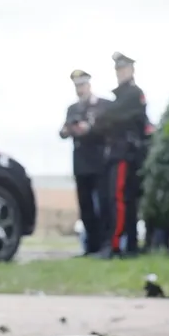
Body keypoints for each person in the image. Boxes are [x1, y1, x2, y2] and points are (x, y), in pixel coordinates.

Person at [91, 52, 149, 258]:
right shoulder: (120, 98)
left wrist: (105, 117)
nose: (120, 73)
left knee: (120, 199)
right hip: (119, 153)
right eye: (118, 69)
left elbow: (113, 116)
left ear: (131, 70)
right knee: (123, 199)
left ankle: (116, 245)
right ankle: (128, 245)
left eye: (123, 69)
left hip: (125, 153)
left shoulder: (133, 94)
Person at [58, 70, 111, 256]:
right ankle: (91, 246)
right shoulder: (73, 109)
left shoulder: (102, 106)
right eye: (77, 86)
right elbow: (63, 132)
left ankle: (106, 244)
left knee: (102, 205)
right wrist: (69, 130)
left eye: (82, 85)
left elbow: (105, 129)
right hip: (81, 165)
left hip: (98, 163)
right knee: (86, 207)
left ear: (88, 85)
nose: (80, 89)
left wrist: (89, 129)